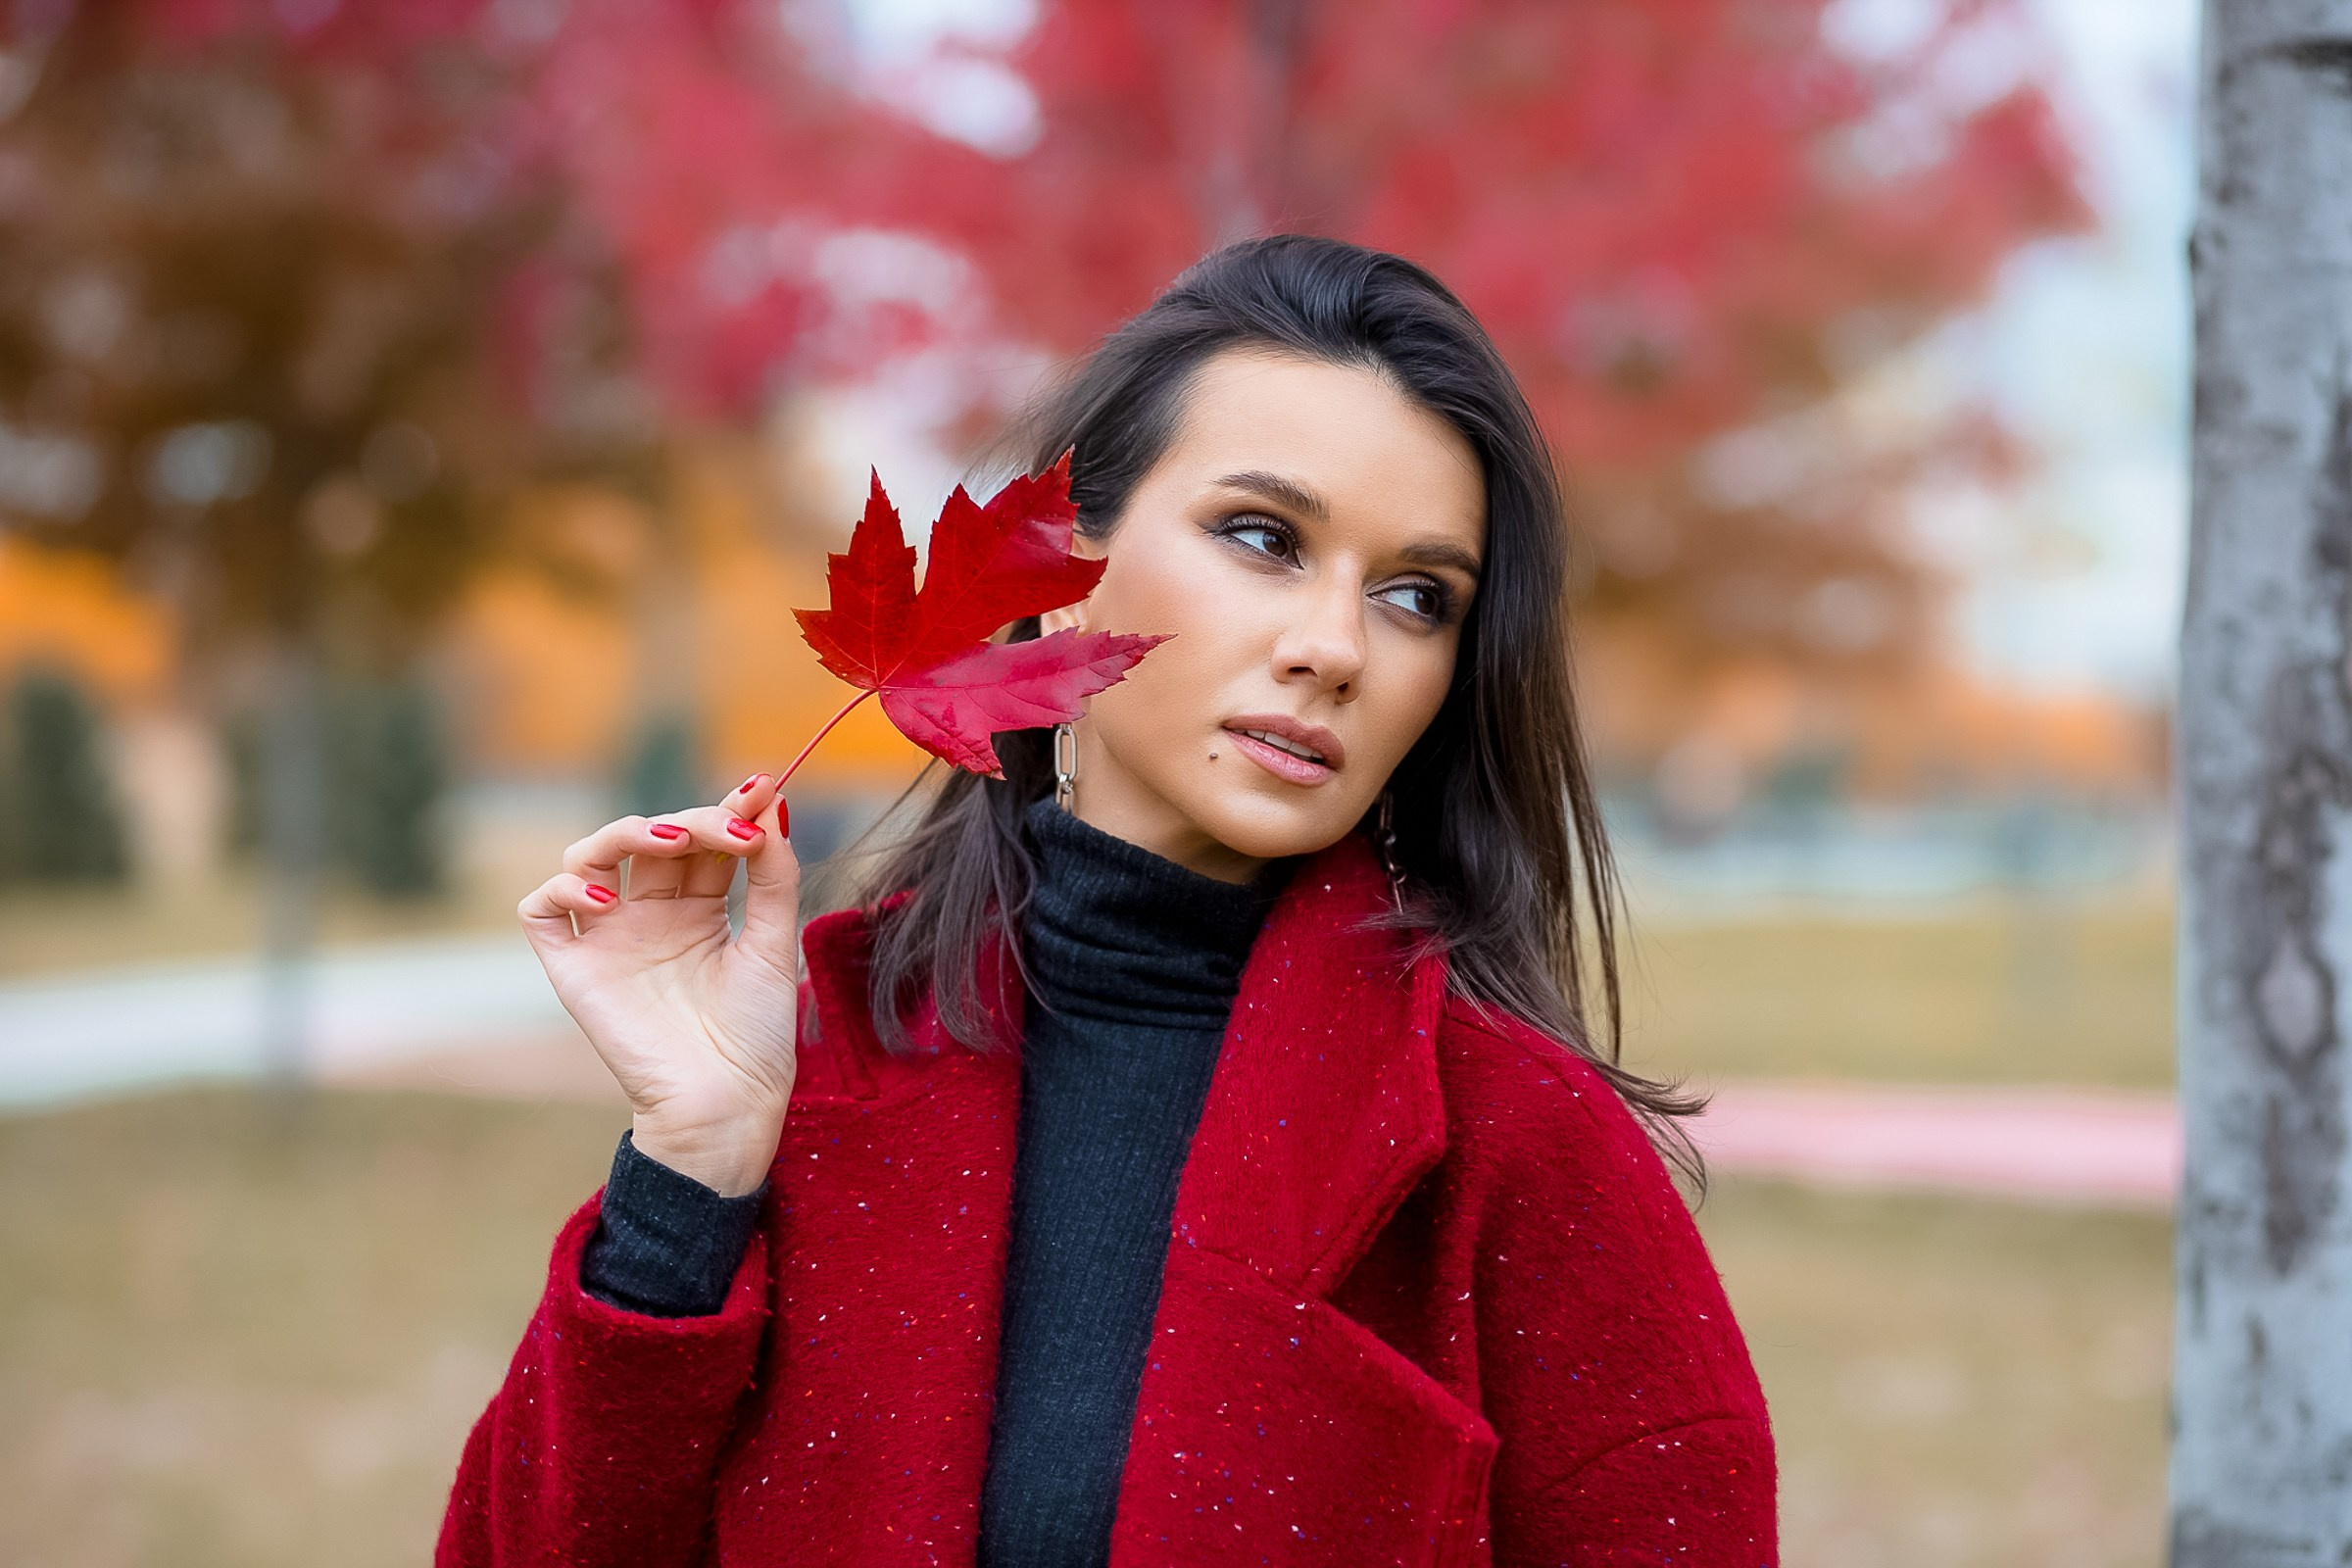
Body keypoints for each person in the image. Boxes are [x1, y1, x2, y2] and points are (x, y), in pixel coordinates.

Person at [436, 234, 1775, 1567]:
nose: (1335, 647)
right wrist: (689, 1171)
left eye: (1418, 597)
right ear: (1062, 565)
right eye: (1264, 537)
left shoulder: (1525, 1152)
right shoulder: (814, 1064)